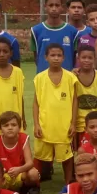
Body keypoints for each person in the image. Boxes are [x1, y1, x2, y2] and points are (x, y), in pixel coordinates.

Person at [33, 43, 79, 184]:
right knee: (40, 156)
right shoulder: (40, 78)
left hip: (63, 125)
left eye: (59, 55)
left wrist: (73, 123)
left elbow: (74, 102)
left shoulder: (71, 78)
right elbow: (36, 103)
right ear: (46, 57)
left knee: (66, 156)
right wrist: (36, 124)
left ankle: (68, 182)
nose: (56, 58)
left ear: (64, 58)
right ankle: (34, 183)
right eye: (52, 55)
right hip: (45, 124)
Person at [0, 111, 40, 194]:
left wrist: (19, 169)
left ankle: (28, 188)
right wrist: (0, 170)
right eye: (6, 125)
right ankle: (4, 191)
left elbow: (30, 163)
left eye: (13, 125)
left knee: (33, 174)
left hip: (21, 173)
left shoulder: (23, 138)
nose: (10, 128)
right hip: (4, 174)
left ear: (19, 127)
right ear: (0, 129)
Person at [31, 0, 75, 74]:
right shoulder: (36, 30)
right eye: (51, 5)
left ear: (62, 7)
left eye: (57, 5)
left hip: (67, 79)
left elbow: (75, 57)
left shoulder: (72, 31)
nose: (54, 8)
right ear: (45, 7)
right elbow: (36, 57)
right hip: (44, 79)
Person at [73, 44, 97, 144]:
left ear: (95, 59)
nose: (86, 60)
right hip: (80, 122)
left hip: (96, 121)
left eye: (90, 58)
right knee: (81, 151)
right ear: (78, 58)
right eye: (83, 57)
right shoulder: (73, 76)